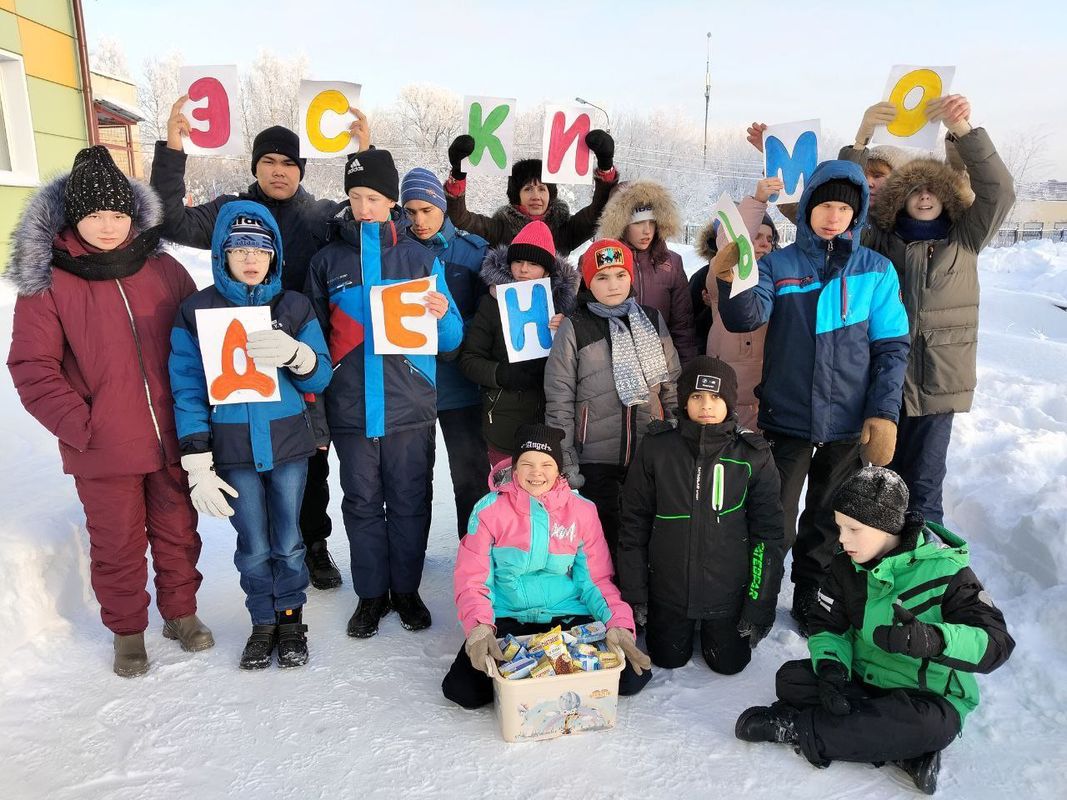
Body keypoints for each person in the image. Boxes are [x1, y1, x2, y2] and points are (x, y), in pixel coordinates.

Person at [7, 146, 212, 677]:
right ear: (74, 217)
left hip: (172, 434)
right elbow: (32, 367)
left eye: (117, 213)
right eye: (95, 214)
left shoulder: (162, 267)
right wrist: (84, 426)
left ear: (132, 213)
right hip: (102, 445)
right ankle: (127, 631)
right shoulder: (50, 281)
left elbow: (200, 338)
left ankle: (181, 613)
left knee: (177, 531)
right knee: (116, 543)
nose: (107, 225)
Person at [150, 98, 367, 590]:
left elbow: (363, 223)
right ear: (255, 166)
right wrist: (174, 149)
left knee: (310, 456)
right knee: (247, 462)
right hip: (238, 352)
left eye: (289, 163)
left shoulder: (317, 214)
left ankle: (313, 545)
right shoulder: (230, 212)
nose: (279, 170)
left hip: (301, 348)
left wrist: (362, 157)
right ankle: (263, 556)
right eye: (269, 161)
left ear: (301, 170)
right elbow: (171, 220)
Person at [712, 160, 910, 636]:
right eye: (824, 206)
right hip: (787, 416)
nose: (833, 216)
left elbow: (891, 347)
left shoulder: (877, 270)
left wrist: (883, 413)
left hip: (847, 422)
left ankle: (810, 594)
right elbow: (745, 318)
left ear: (857, 213)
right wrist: (730, 279)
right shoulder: (779, 265)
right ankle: (759, 598)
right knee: (773, 517)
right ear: (807, 210)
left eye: (844, 208)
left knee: (828, 518)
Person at [735, 467, 1015, 795]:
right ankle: (903, 750)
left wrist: (935, 639)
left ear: (885, 526)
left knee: (929, 725)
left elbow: (997, 643)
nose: (843, 539)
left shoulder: (948, 573)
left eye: (854, 529)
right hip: (865, 679)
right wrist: (833, 669)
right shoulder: (846, 566)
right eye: (840, 527)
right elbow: (828, 625)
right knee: (791, 680)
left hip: (925, 696)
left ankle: (796, 728)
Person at [307, 149, 463, 638]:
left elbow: (452, 339)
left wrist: (442, 314)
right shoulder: (327, 261)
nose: (364, 208)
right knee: (361, 503)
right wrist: (318, 411)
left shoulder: (419, 257)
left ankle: (407, 590)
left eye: (373, 198)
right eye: (355, 197)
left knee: (411, 500)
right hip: (351, 408)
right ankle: (371, 594)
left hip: (408, 407)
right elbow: (314, 340)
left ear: (392, 200)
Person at [170, 203, 332, 669]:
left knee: (289, 541)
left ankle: (290, 618)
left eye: (260, 249)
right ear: (222, 254)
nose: (250, 258)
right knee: (254, 544)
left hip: (287, 445)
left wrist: (298, 355)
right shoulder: (196, 310)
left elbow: (320, 375)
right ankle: (262, 620)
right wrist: (197, 459)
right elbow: (187, 387)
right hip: (234, 449)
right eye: (239, 248)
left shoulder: (293, 306)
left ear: (274, 254)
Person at [851, 95, 1015, 525]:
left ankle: (925, 565)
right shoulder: (878, 240)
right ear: (899, 199)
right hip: (882, 381)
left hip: (938, 384)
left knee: (923, 490)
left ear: (947, 196)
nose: (924, 196)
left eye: (933, 189)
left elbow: (999, 190)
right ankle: (872, 564)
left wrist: (963, 131)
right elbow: (842, 205)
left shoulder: (966, 238)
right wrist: (861, 139)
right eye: (914, 190)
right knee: (876, 489)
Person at [442, 424, 651, 709]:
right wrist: (479, 628)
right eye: (527, 463)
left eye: (546, 464)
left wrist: (618, 624)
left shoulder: (582, 511)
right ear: (515, 469)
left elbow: (597, 580)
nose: (536, 472)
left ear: (559, 470)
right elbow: (472, 580)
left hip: (567, 616)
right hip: (508, 617)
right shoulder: (488, 510)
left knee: (630, 678)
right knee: (463, 690)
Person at [619, 357, 784, 674]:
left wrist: (759, 604)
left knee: (729, 665)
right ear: (684, 400)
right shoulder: (657, 448)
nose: (706, 405)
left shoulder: (753, 455)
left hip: (726, 595)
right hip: (668, 593)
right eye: (697, 396)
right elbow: (633, 525)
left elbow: (769, 536)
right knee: (666, 659)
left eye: (716, 397)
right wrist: (636, 594)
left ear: (729, 402)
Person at [545, 239, 681, 568]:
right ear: (588, 282)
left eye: (620, 275)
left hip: (649, 448)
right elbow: (560, 395)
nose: (613, 285)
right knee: (603, 539)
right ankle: (606, 594)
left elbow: (670, 384)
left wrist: (675, 432)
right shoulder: (574, 325)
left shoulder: (651, 319)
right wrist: (566, 456)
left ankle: (638, 594)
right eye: (602, 277)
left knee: (643, 534)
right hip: (596, 455)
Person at [400, 167, 491, 538]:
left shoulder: (473, 251)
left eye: (427, 210)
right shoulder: (394, 250)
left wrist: (453, 332)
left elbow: (488, 319)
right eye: (410, 212)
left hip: (460, 386)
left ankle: (473, 550)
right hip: (410, 384)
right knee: (412, 479)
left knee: (470, 477)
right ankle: (411, 557)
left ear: (442, 206)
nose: (419, 221)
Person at [458, 220, 579, 468]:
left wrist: (567, 331)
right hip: (504, 420)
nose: (523, 269)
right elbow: (469, 360)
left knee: (542, 486)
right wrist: (501, 374)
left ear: (547, 271)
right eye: (518, 261)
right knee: (507, 488)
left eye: (533, 264)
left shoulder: (565, 308)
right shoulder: (492, 303)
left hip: (550, 421)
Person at [443, 130, 618, 255]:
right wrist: (458, 173)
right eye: (528, 189)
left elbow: (598, 213)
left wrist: (605, 165)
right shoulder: (500, 228)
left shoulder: (565, 229)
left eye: (542, 189)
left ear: (551, 194)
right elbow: (461, 218)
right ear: (516, 195)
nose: (536, 196)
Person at [695, 177, 782, 430]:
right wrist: (758, 201)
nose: (764, 243)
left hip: (762, 388)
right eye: (757, 236)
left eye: (769, 238)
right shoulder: (723, 270)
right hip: (727, 384)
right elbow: (731, 244)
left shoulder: (776, 275)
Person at [595, 180, 699, 363]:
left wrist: (687, 370)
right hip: (610, 362)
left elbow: (683, 327)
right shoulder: (598, 260)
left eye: (652, 222)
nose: (647, 231)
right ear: (621, 224)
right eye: (638, 223)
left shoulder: (672, 263)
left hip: (659, 363)